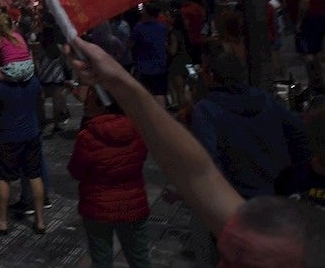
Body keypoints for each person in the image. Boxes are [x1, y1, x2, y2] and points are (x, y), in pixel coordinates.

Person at [64, 36, 324, 265]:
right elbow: (198, 173)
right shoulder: (266, 102)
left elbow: (202, 170)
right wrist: (116, 79)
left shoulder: (209, 111)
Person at [191, 48, 309, 199]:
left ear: (211, 76)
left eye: (203, 70)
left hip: (240, 198)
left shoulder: (206, 110)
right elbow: (300, 132)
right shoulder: (264, 99)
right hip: (277, 191)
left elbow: (208, 162)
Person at [68, 83, 151, 268]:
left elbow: (76, 171)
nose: (86, 101)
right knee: (139, 258)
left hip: (98, 207)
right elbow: (141, 157)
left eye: (90, 97)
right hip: (133, 203)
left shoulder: (87, 136)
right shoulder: (137, 128)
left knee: (101, 259)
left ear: (102, 103)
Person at [0, 46, 47, 235]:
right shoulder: (32, 81)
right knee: (35, 175)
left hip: (7, 137)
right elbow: (40, 96)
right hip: (31, 134)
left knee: (3, 178)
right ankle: (40, 221)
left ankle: (2, 221)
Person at [130, 1, 170, 106]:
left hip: (144, 66)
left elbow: (130, 43)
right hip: (160, 65)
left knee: (145, 95)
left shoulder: (139, 28)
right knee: (159, 94)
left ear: (147, 13)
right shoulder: (162, 28)